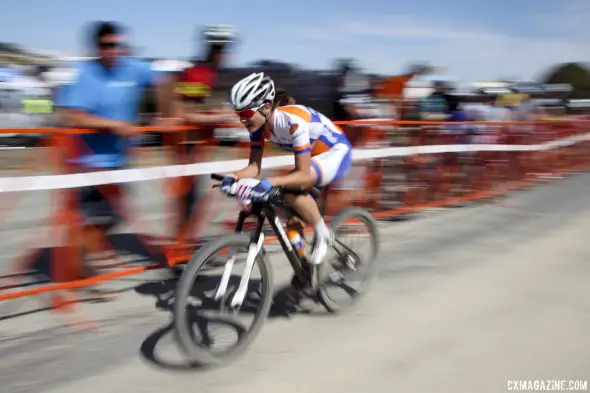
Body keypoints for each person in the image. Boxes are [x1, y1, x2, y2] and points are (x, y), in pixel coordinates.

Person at [56, 21, 171, 299]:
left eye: (117, 44)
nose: (114, 50)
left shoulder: (132, 68)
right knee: (90, 219)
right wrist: (113, 125)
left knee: (113, 216)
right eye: (107, 45)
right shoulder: (86, 74)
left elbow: (165, 80)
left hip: (118, 161)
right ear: (97, 47)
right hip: (88, 161)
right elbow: (72, 116)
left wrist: (164, 112)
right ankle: (75, 278)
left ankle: (80, 268)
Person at [220, 72, 352, 266]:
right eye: (238, 114)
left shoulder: (292, 122)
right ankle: (306, 270)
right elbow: (255, 167)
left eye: (246, 114)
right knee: (291, 224)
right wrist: (233, 177)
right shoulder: (258, 126)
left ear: (266, 107)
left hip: (336, 152)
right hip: (314, 161)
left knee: (289, 191)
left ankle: (323, 234)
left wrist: (270, 182)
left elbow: (303, 174)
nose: (242, 120)